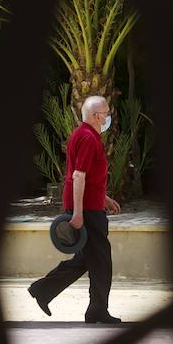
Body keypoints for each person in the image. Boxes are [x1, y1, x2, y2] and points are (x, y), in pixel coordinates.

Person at [28, 95, 122, 322]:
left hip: (88, 204)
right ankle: (97, 310)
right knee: (101, 259)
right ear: (96, 116)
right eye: (107, 113)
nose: (108, 117)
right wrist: (79, 213)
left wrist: (104, 198)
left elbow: (85, 176)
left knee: (87, 258)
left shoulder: (81, 134)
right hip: (87, 209)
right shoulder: (89, 139)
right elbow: (78, 175)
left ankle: (43, 290)